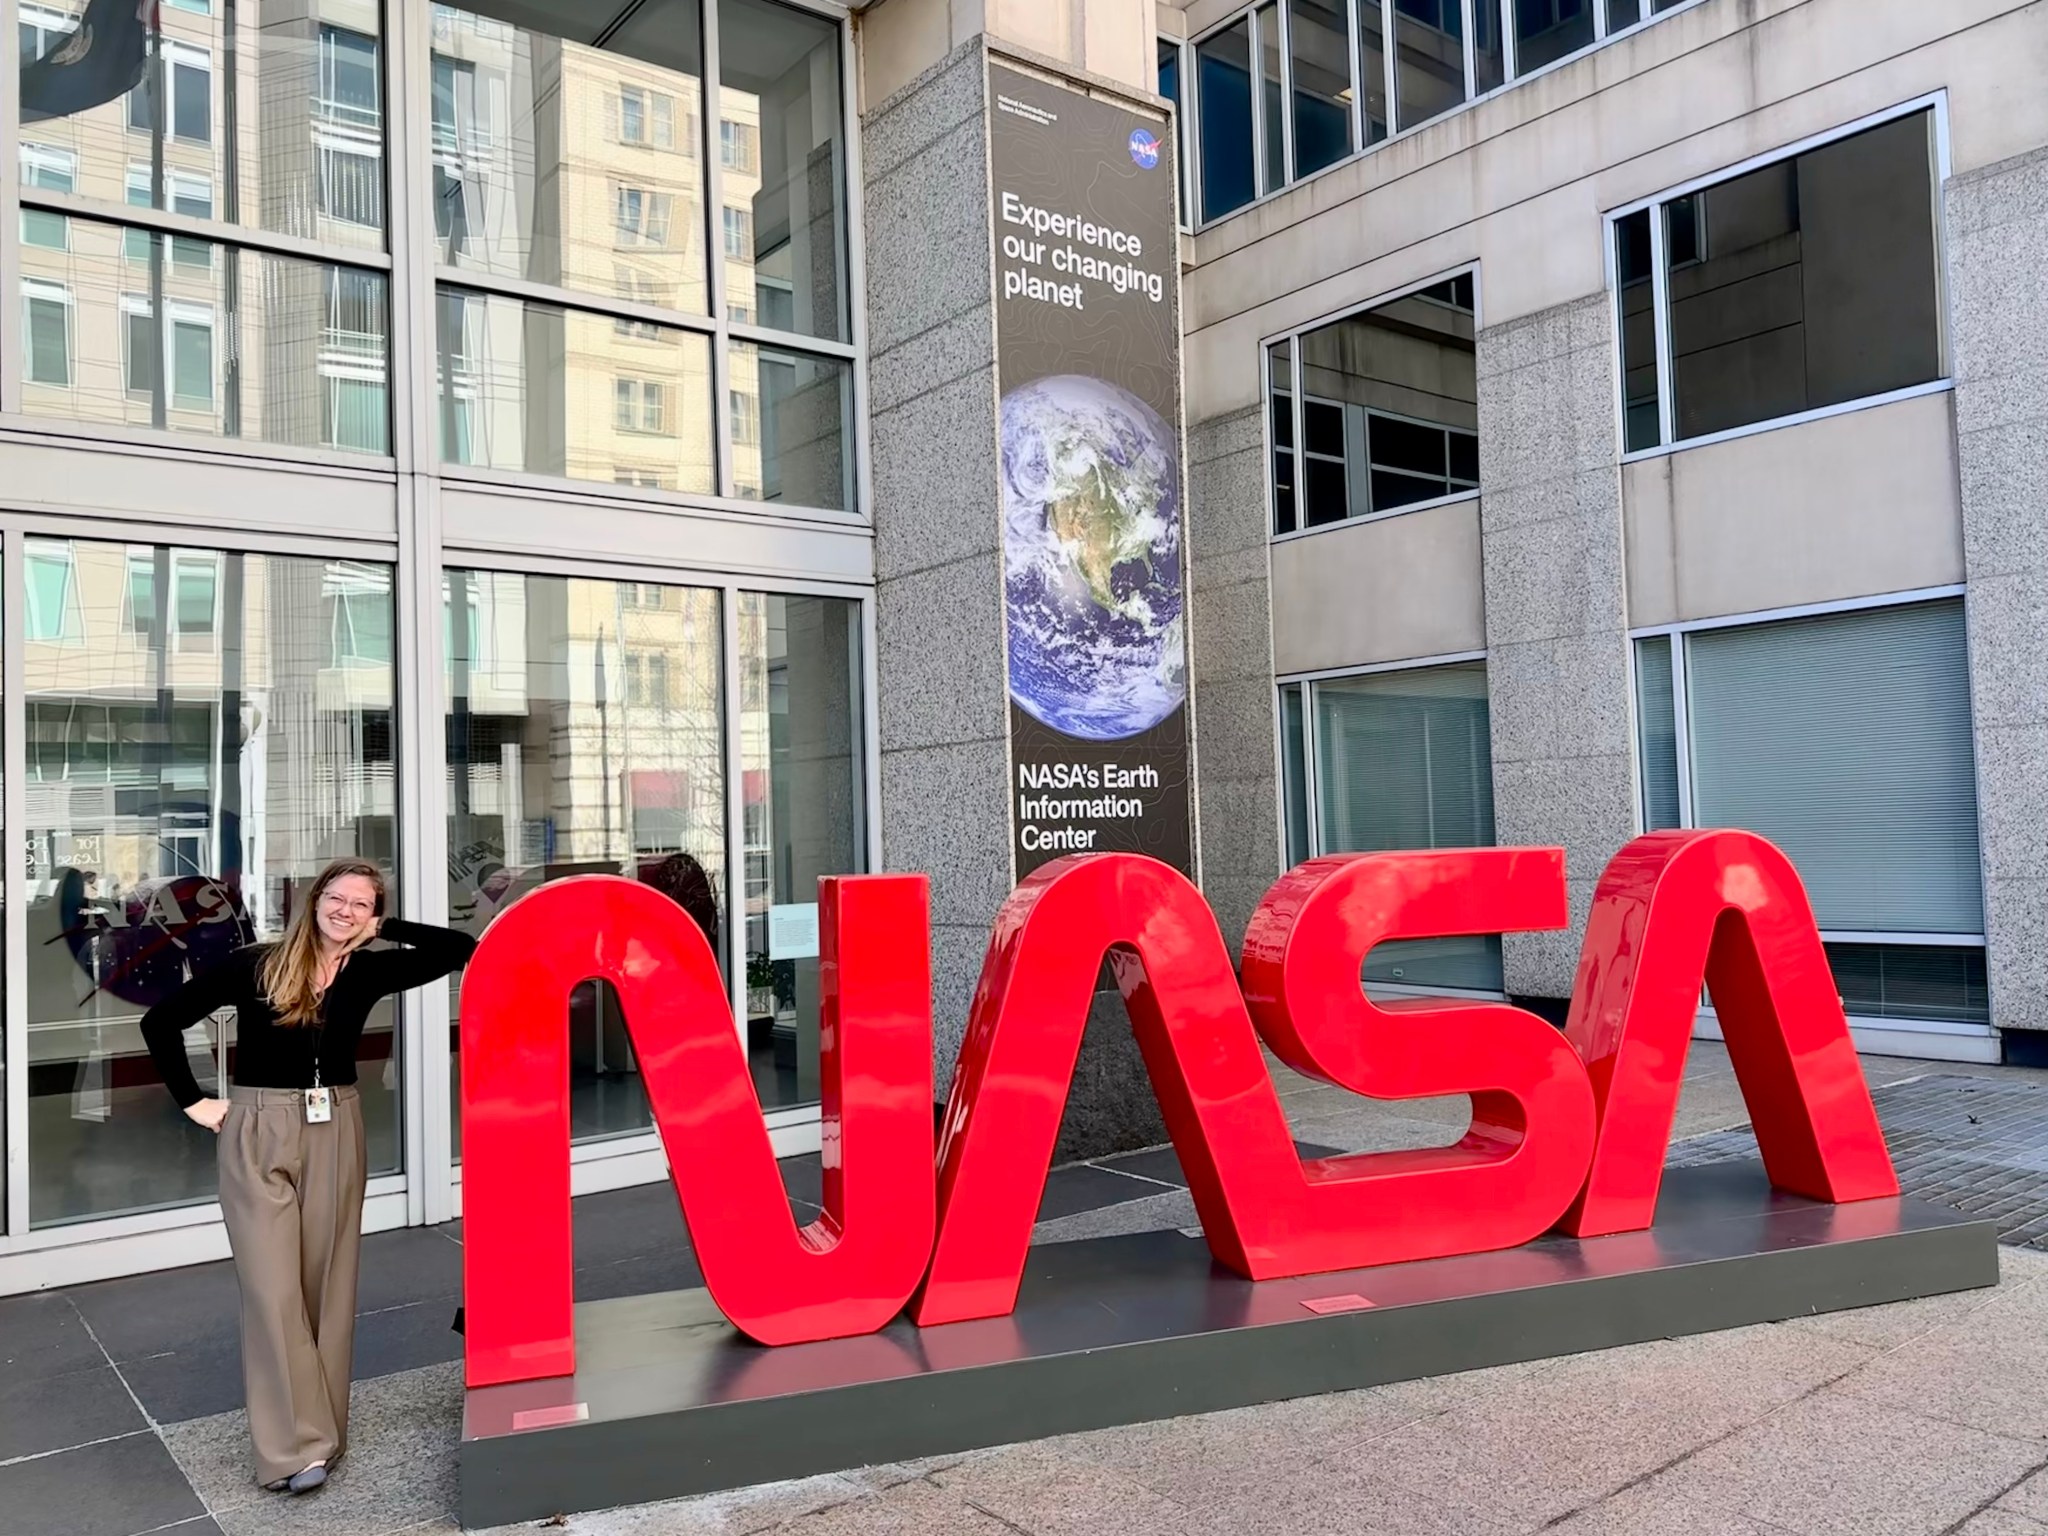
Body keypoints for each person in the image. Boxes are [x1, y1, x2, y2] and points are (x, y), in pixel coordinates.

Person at [141, 859, 476, 1498]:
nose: (344, 911)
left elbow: (463, 949)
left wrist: (386, 927)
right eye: (336, 897)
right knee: (272, 1290)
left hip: (337, 1126)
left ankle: (323, 1432)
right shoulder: (256, 964)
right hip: (259, 1125)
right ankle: (293, 1449)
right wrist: (194, 1101)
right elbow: (161, 1021)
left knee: (327, 1282)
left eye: (360, 903)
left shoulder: (372, 967)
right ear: (314, 898)